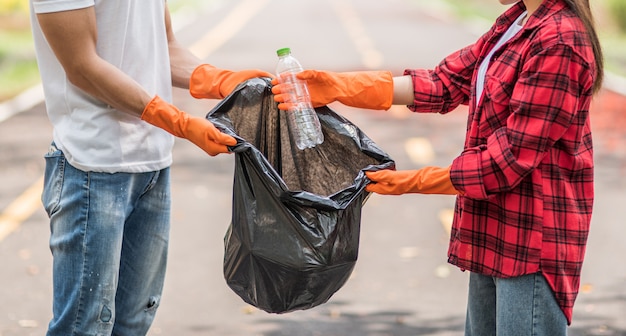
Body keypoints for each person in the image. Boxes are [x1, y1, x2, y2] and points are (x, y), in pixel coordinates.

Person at [272, 0, 603, 334]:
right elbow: (444, 83)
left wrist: (411, 182)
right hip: (492, 232)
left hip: (531, 242)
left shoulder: (560, 40)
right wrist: (339, 87)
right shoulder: (516, 21)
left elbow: (509, 160)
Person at [29, 1, 271, 335]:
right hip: (92, 166)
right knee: (83, 326)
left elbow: (164, 46)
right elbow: (82, 66)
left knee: (133, 323)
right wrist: (180, 123)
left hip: (152, 164)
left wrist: (220, 80)